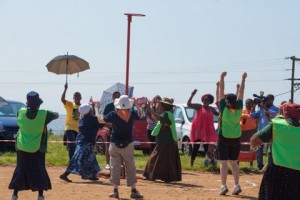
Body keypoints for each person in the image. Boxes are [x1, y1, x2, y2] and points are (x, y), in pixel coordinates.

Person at [9, 91, 59, 200]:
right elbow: (56, 115)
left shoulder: (21, 112)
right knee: (39, 171)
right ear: (38, 104)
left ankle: (14, 195)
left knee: (20, 170)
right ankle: (40, 196)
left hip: (22, 146)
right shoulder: (44, 114)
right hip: (38, 148)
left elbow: (21, 115)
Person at [250, 103, 300, 199]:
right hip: (297, 174)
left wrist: (271, 139)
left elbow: (253, 141)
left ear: (286, 114)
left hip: (276, 171)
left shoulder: (276, 125)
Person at [99, 95, 143, 199]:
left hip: (115, 143)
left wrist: (97, 109)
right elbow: (141, 114)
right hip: (128, 143)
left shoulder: (114, 114)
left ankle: (115, 190)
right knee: (130, 168)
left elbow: (101, 120)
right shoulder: (132, 114)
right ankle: (133, 190)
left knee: (115, 168)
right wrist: (136, 103)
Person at [217, 71, 247, 195]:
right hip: (236, 137)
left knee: (224, 163)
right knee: (234, 162)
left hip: (224, 137)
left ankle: (223, 186)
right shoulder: (239, 107)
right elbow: (241, 92)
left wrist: (221, 78)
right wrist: (243, 79)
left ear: (226, 100)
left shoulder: (223, 107)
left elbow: (221, 90)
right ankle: (236, 185)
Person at [59, 104, 104, 182]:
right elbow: (101, 123)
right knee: (77, 159)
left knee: (91, 159)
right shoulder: (92, 119)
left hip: (82, 141)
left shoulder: (81, 119)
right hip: (86, 143)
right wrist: (97, 109)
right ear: (89, 110)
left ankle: (92, 175)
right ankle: (65, 174)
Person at [143, 97, 182, 182]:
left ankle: (150, 174)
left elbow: (162, 120)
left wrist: (151, 110)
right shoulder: (168, 113)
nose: (159, 106)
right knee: (166, 160)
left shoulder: (166, 114)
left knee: (155, 158)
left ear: (164, 106)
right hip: (167, 141)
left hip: (166, 141)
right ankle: (166, 177)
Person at [187, 90, 219, 167]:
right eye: (204, 99)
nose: (205, 101)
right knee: (196, 147)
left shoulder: (212, 109)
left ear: (210, 101)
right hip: (198, 130)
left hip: (207, 131)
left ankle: (212, 163)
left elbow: (219, 114)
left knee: (207, 148)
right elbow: (189, 104)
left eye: (207, 100)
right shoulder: (199, 107)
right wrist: (192, 95)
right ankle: (191, 163)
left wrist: (221, 106)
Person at [250, 94, 279, 170]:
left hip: (271, 133)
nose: (266, 101)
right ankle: (260, 166)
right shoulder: (261, 109)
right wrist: (254, 106)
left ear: (272, 100)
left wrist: (264, 107)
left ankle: (270, 167)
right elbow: (252, 116)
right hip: (261, 133)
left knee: (270, 152)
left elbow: (273, 114)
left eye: (267, 99)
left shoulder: (276, 109)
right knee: (259, 151)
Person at [61, 83, 81, 161]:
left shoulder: (82, 107)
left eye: (78, 96)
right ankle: (71, 162)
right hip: (69, 128)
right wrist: (65, 89)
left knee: (77, 146)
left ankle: (75, 161)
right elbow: (62, 100)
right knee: (72, 144)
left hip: (77, 129)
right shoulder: (70, 104)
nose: (76, 97)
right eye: (75, 96)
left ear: (80, 97)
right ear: (73, 97)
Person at [103, 91, 120, 170]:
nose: (117, 98)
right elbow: (104, 120)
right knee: (108, 145)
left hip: (119, 129)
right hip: (110, 129)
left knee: (119, 146)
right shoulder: (108, 106)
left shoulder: (122, 106)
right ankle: (107, 163)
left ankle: (117, 163)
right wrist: (107, 127)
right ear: (112, 97)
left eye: (118, 96)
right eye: (115, 96)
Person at [239, 99, 258, 170]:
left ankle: (251, 166)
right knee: (241, 148)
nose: (248, 105)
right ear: (245, 104)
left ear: (252, 104)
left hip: (252, 132)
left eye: (250, 104)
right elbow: (242, 121)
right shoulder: (242, 111)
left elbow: (256, 122)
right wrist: (246, 117)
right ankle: (237, 165)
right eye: (247, 103)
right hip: (243, 133)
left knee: (251, 148)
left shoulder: (255, 112)